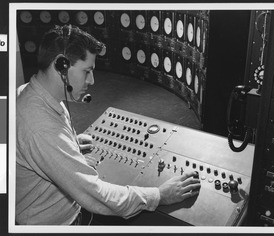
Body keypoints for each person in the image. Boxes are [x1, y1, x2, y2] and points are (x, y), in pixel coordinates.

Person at [16, 24, 201, 225]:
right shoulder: (41, 127)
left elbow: (38, 145)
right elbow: (96, 195)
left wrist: (69, 144)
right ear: (60, 66)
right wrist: (160, 195)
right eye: (87, 71)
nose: (92, 80)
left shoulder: (30, 93)